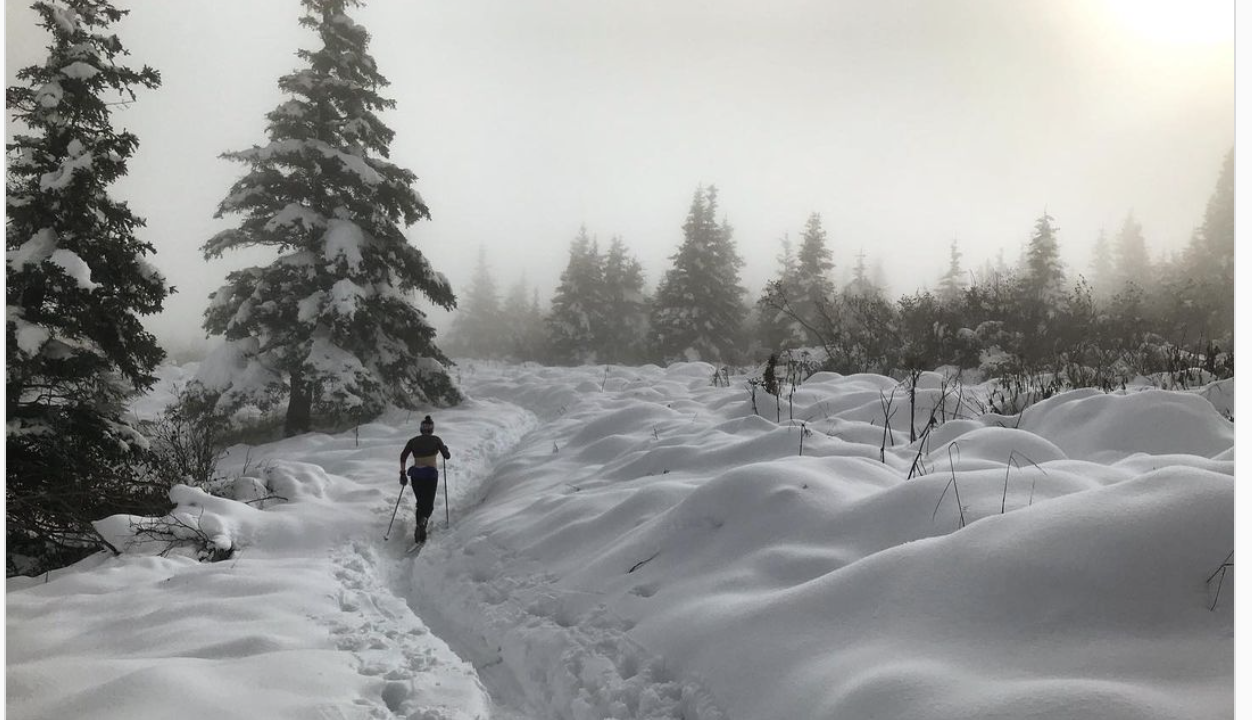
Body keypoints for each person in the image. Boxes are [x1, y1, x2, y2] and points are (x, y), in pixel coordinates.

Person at [399, 415, 451, 544]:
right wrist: (445, 449)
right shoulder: (436, 439)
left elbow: (403, 457)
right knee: (429, 505)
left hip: (416, 475)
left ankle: (419, 529)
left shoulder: (413, 441)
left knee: (420, 503)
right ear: (432, 429)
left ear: (421, 429)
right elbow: (447, 456)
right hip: (430, 475)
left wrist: (403, 474)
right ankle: (422, 524)